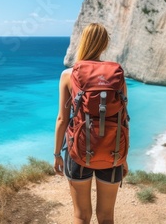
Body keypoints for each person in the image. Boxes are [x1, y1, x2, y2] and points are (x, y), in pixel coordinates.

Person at [53, 23, 127, 224]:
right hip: (112, 151)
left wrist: (57, 154)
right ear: (104, 44)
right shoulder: (117, 74)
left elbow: (62, 119)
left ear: (82, 41)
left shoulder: (69, 75)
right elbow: (123, 118)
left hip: (78, 151)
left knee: (81, 215)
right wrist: (123, 156)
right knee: (106, 216)